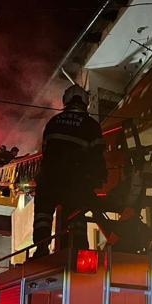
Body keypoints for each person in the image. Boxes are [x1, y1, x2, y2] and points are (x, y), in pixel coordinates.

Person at [32, 85, 107, 257]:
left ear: (65, 100)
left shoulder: (53, 122)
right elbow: (97, 155)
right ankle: (75, 248)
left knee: (43, 213)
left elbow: (45, 151)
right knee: (75, 214)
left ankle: (41, 248)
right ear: (86, 102)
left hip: (49, 178)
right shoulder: (91, 125)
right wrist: (99, 177)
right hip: (75, 181)